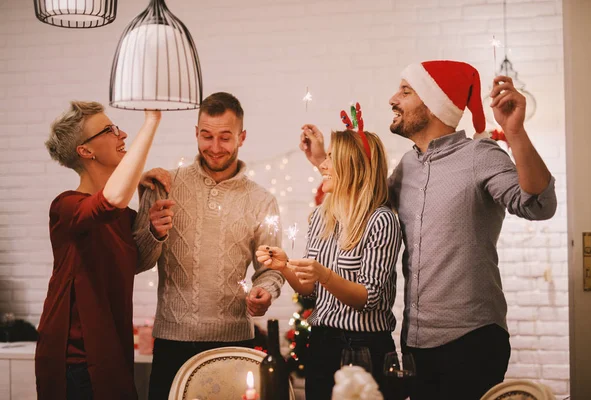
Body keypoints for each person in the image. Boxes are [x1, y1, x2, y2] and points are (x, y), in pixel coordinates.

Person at [299, 61, 557, 400]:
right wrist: (324, 161)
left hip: (472, 341)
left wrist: (515, 133)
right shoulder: (407, 166)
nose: (393, 98)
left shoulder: (481, 155)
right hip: (415, 344)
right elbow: (363, 195)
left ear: (434, 104)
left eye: (406, 91)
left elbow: (539, 204)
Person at [133, 92, 285, 400]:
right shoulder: (163, 186)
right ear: (196, 133)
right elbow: (138, 261)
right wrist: (153, 232)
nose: (215, 148)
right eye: (207, 136)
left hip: (234, 346)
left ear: (242, 137)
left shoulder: (262, 200)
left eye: (225, 137)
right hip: (171, 345)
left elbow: (270, 268)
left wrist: (266, 291)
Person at [258, 107, 401, 400]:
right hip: (323, 344)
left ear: (355, 168)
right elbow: (309, 292)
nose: (324, 164)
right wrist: (284, 267)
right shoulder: (322, 216)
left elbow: (368, 298)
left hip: (364, 348)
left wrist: (324, 273)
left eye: (333, 158)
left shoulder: (381, 220)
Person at [36, 101, 164, 400]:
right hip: (75, 360)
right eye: (109, 130)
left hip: (113, 351)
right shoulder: (67, 207)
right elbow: (110, 199)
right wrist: (152, 121)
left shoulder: (122, 215)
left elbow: (136, 260)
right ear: (85, 151)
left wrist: (154, 227)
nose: (122, 134)